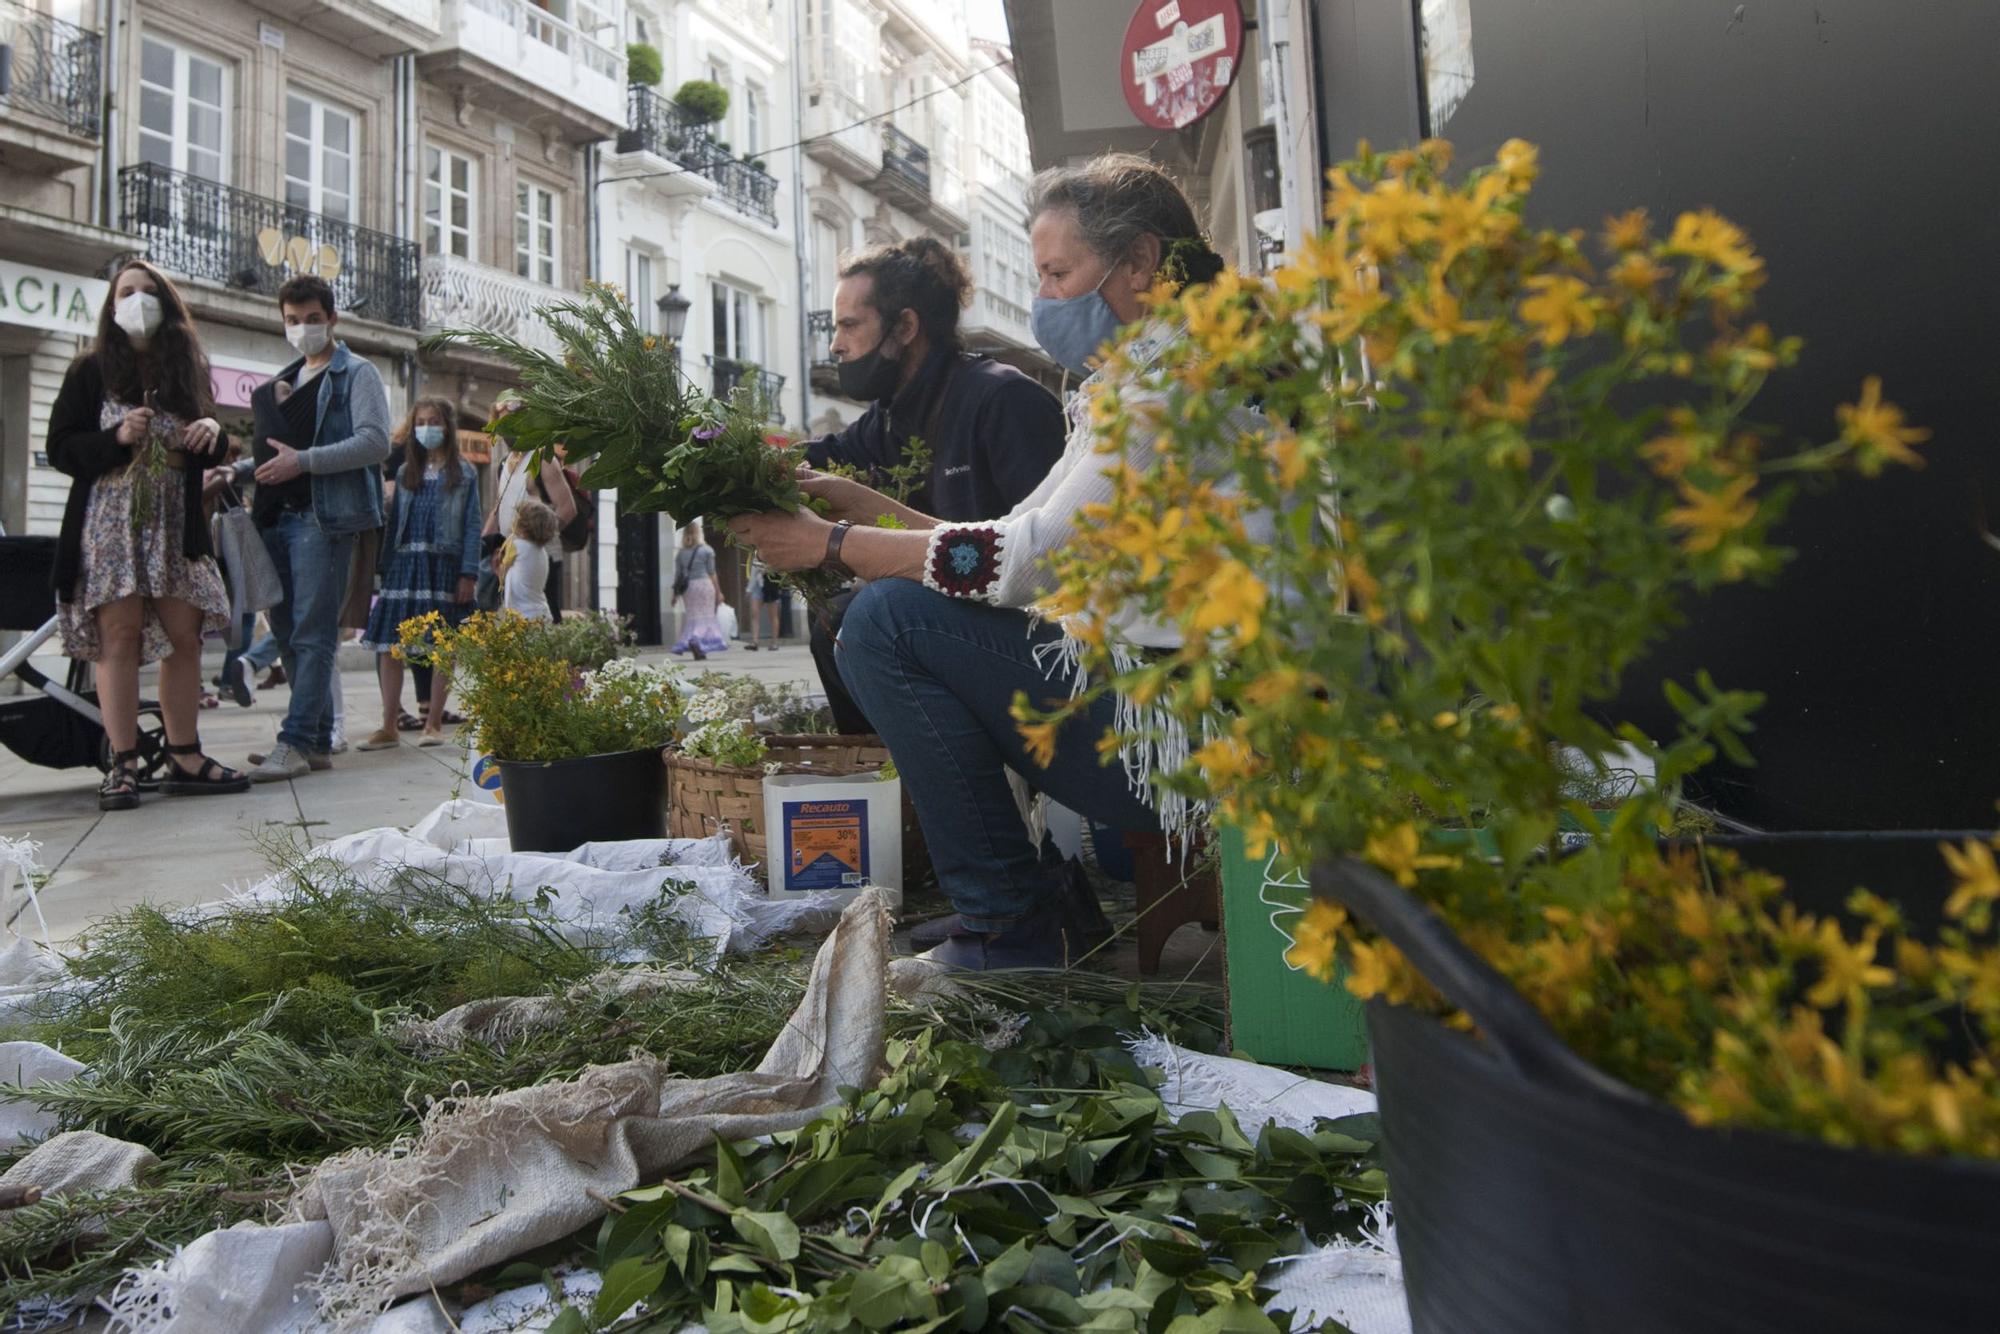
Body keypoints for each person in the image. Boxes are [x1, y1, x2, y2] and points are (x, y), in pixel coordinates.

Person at [730, 153, 1251, 971]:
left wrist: (832, 545)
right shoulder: (1147, 377)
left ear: (1141, 260)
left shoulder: (1172, 387)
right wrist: (864, 509)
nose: (1044, 298)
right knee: (890, 613)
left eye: (1056, 272)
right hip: (1171, 703)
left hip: (1187, 737)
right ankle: (1014, 908)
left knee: (879, 626)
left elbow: (1032, 560)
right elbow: (1018, 531)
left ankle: (1008, 926)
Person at [803, 237, 1066, 730]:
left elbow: (1052, 566)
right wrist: (725, 457)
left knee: (866, 612)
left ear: (905, 327)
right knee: (834, 618)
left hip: (1035, 642)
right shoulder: (886, 419)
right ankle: (889, 782)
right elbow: (817, 461)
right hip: (948, 630)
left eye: (850, 325)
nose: (836, 344)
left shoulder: (1003, 400)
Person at [46, 259, 248, 809]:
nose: (137, 299)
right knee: (121, 639)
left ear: (168, 302)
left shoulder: (186, 371)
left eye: (148, 290)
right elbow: (61, 448)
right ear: (112, 308)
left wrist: (212, 430)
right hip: (111, 520)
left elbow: (203, 448)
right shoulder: (89, 371)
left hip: (174, 521)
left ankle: (184, 754)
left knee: (185, 636)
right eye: (127, 292)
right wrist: (115, 437)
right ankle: (124, 763)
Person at [244, 274, 393, 781]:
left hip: (324, 518)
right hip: (275, 518)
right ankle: (320, 740)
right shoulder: (286, 379)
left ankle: (296, 740)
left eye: (312, 319)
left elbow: (375, 443)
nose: (303, 328)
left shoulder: (358, 373)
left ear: (332, 318)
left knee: (312, 632)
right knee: (285, 632)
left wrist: (303, 462)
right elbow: (272, 456)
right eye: (292, 321)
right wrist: (238, 471)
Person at [357, 399, 480, 751]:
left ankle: (434, 722)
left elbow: (472, 526)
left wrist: (468, 573)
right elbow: (395, 523)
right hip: (405, 563)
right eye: (421, 421)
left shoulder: (465, 473)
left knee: (441, 644)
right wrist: (385, 565)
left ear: (447, 426)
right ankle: (388, 725)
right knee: (390, 645)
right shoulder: (405, 472)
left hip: (442, 564)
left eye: (434, 421)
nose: (427, 427)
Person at [482, 406, 576, 615]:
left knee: (542, 614)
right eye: (503, 423)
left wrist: (537, 540)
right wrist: (484, 546)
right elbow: (498, 509)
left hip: (541, 555)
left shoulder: (542, 460)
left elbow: (567, 508)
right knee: (515, 617)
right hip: (512, 557)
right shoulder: (504, 464)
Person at [669, 522, 727, 659]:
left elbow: (678, 576)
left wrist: (674, 595)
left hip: (689, 588)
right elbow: (712, 573)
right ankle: (698, 641)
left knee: (693, 617)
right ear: (698, 533)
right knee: (706, 617)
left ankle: (694, 641)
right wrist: (719, 592)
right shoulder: (707, 550)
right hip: (705, 585)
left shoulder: (681, 554)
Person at [504, 499, 560, 622]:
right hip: (541, 612)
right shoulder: (543, 552)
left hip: (522, 616)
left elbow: (502, 566)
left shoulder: (516, 546)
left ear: (523, 525)